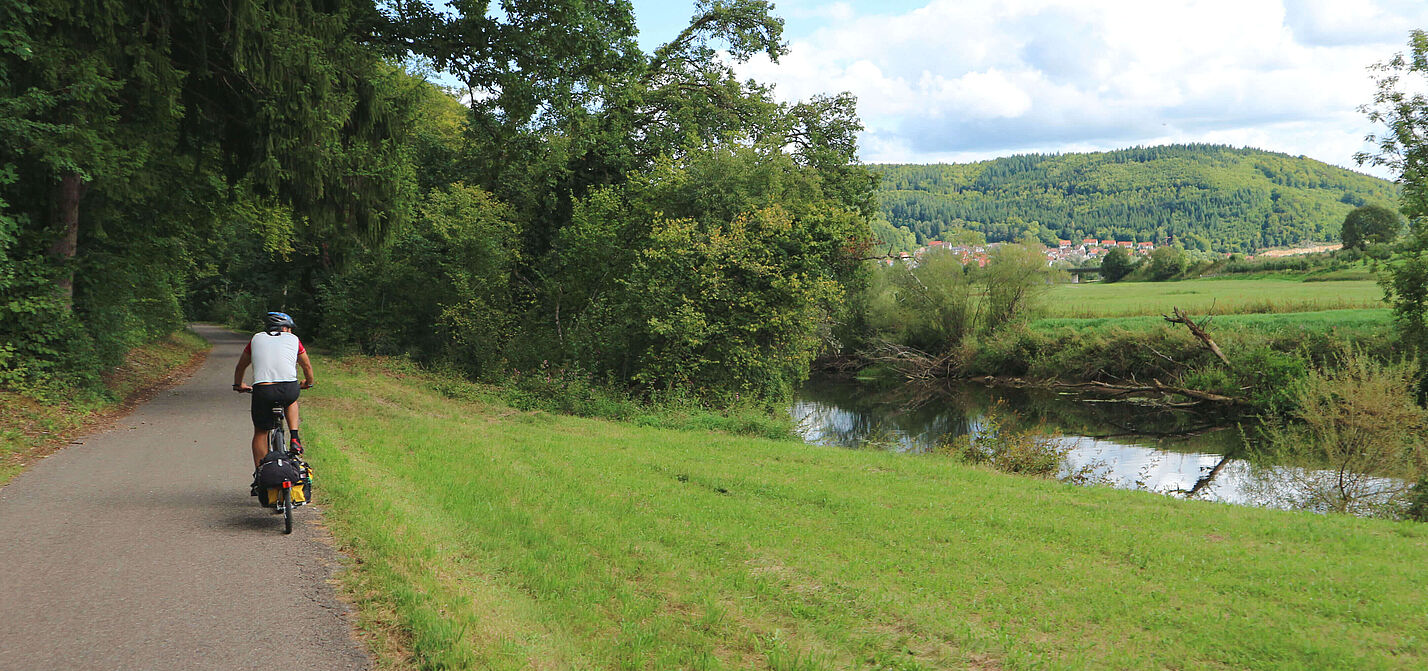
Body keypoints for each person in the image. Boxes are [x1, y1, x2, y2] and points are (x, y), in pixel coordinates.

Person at [233, 312, 315, 481]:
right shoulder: (294, 340)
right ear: (285, 328)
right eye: (290, 329)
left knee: (261, 432)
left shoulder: (255, 339)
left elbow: (241, 366)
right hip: (289, 388)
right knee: (291, 400)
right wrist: (308, 382)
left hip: (263, 391)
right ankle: (294, 437)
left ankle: (261, 476)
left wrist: (239, 384)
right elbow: (306, 365)